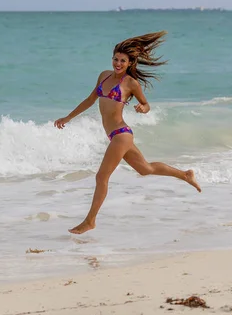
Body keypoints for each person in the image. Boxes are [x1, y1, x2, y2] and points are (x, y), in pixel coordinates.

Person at [54, 31, 201, 234]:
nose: (118, 63)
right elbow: (90, 100)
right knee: (145, 169)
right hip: (115, 135)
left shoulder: (130, 83)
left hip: (121, 134)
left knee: (101, 177)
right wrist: (68, 117)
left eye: (123, 61)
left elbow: (146, 104)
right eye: (115, 59)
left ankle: (90, 221)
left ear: (130, 63)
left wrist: (143, 109)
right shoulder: (103, 76)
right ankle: (185, 174)